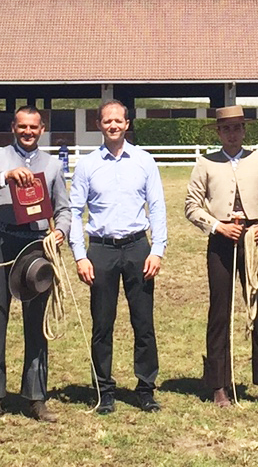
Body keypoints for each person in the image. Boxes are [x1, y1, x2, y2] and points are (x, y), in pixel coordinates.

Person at [0, 106, 71, 423]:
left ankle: (36, 397)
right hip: (1, 243)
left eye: (34, 127)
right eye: (22, 126)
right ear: (13, 126)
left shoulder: (53, 165)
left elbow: (64, 208)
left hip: (36, 246)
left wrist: (61, 231)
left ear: (42, 129)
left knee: (36, 321)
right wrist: (4, 177)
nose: (28, 132)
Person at [68, 100, 167, 414]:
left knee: (144, 322)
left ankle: (146, 389)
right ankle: (104, 390)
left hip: (138, 247)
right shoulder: (87, 165)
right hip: (101, 249)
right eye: (107, 121)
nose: (113, 125)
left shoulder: (144, 161)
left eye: (118, 120)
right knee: (102, 323)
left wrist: (157, 249)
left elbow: (157, 206)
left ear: (127, 124)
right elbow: (74, 211)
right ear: (99, 124)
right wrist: (80, 256)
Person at [184, 106, 258, 406]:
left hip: (253, 241)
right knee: (220, 311)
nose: (232, 134)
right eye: (226, 129)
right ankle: (219, 385)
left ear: (244, 130)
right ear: (218, 133)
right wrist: (217, 226)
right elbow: (191, 206)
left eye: (237, 128)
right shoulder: (206, 163)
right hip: (221, 241)